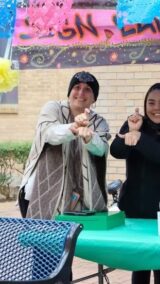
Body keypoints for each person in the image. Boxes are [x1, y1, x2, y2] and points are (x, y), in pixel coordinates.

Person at [110, 82, 160, 284]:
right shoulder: (136, 123)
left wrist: (139, 137)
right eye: (151, 103)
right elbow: (117, 150)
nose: (156, 108)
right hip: (136, 206)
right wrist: (130, 132)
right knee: (140, 264)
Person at [19, 71, 110, 219]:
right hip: (39, 194)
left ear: (94, 98)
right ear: (69, 91)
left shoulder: (99, 122)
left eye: (88, 89)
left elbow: (102, 149)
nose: (81, 93)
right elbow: (48, 133)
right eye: (77, 87)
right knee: (41, 240)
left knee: (75, 242)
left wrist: (89, 138)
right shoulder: (52, 108)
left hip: (82, 201)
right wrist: (73, 128)